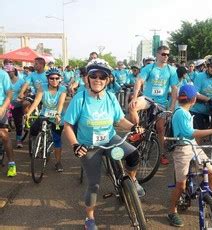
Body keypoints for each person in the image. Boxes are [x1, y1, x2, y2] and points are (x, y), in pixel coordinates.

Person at [63, 61, 145, 230]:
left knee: (133, 154)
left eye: (102, 76)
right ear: (87, 78)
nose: (97, 79)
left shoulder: (110, 97)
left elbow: (119, 120)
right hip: (89, 146)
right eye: (94, 75)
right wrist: (75, 145)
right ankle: (89, 219)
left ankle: (132, 179)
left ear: (108, 80)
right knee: (94, 184)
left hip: (109, 140)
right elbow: (68, 126)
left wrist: (133, 127)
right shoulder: (81, 98)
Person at [167, 84, 212, 227]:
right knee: (181, 185)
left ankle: (211, 202)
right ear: (194, 99)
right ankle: (172, 211)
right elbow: (190, 133)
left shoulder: (184, 110)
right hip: (182, 148)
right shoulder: (181, 112)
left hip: (192, 145)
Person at [128, 45, 179, 165]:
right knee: (132, 107)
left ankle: (162, 154)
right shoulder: (149, 68)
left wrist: (172, 107)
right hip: (148, 99)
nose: (166, 56)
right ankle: (137, 132)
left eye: (167, 54)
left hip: (161, 103)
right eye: (163, 54)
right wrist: (134, 98)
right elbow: (139, 81)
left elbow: (174, 88)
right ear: (157, 55)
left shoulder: (171, 70)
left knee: (160, 128)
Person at [25, 67, 67, 172]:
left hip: (57, 116)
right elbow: (37, 101)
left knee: (57, 139)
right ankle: (37, 143)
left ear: (60, 79)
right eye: (52, 78)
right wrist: (28, 113)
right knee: (34, 128)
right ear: (47, 79)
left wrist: (57, 114)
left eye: (57, 78)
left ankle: (58, 162)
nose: (54, 81)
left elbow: (61, 104)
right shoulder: (42, 87)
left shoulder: (62, 89)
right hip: (44, 114)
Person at [4, 63, 25, 148]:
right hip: (6, 104)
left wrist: (22, 97)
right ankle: (4, 141)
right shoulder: (4, 81)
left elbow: (25, 92)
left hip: (17, 105)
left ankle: (19, 140)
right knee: (4, 123)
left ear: (14, 71)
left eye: (9, 72)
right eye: (6, 72)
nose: (8, 74)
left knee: (18, 123)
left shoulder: (21, 81)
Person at [0, 67, 16, 177]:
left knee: (3, 134)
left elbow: (9, 94)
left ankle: (12, 164)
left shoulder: (3, 74)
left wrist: (2, 108)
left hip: (1, 106)